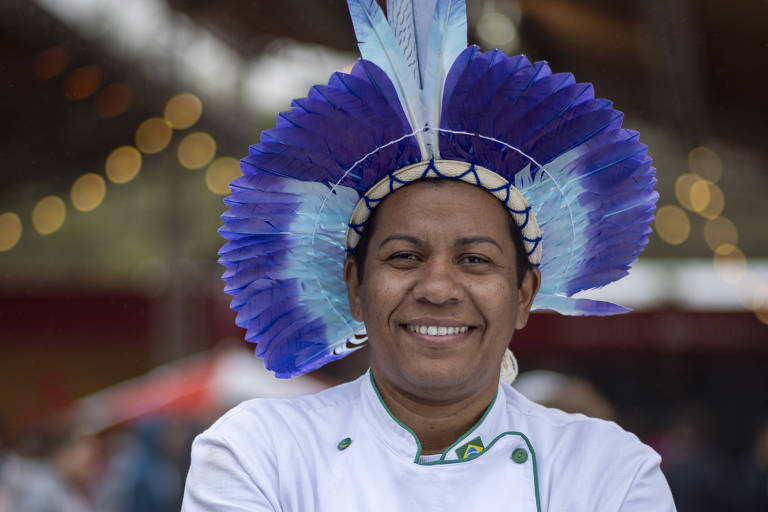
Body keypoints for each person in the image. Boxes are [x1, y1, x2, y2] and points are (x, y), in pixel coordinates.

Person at [182, 0, 675, 510]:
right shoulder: (258, 451)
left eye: (476, 260)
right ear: (355, 287)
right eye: (404, 257)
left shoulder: (608, 469)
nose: (438, 289)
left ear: (524, 294)